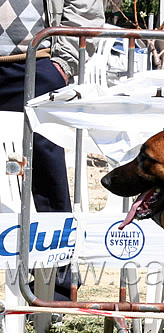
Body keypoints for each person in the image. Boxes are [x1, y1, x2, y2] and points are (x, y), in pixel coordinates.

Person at [0, 0, 104, 300]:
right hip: (37, 59)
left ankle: (57, 286)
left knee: (47, 173)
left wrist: (64, 61)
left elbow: (85, 5)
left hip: (39, 59)